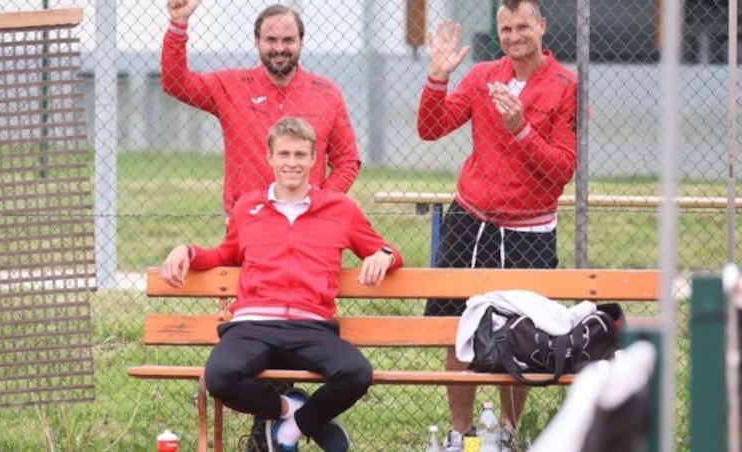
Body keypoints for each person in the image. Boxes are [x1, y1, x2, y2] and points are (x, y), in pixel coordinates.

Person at [159, 117, 403, 452]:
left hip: (311, 326)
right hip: (253, 324)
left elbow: (386, 249)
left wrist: (384, 255)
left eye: (300, 155)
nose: (292, 163)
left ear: (314, 159)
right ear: (270, 158)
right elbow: (227, 252)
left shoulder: (340, 209)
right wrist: (186, 251)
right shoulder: (249, 207)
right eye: (284, 154)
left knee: (357, 373)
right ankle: (293, 409)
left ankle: (290, 432)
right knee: (220, 377)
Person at [416, 0, 578, 450]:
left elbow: (562, 169)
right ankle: (460, 433)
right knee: (456, 329)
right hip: (469, 221)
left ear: (542, 27)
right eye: (506, 29)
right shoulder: (483, 75)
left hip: (528, 229)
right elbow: (431, 128)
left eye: (523, 26)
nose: (514, 36)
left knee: (521, 336)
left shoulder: (565, 85)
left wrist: (521, 128)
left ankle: (504, 434)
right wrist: (437, 77)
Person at [163, 0, 361, 215]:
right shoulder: (230, 87)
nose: (279, 48)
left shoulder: (326, 93)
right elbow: (176, 84)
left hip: (307, 223)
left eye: (288, 40)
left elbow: (347, 161)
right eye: (271, 40)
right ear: (257, 41)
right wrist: (178, 24)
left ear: (301, 42)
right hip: (248, 222)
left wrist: (319, 203)